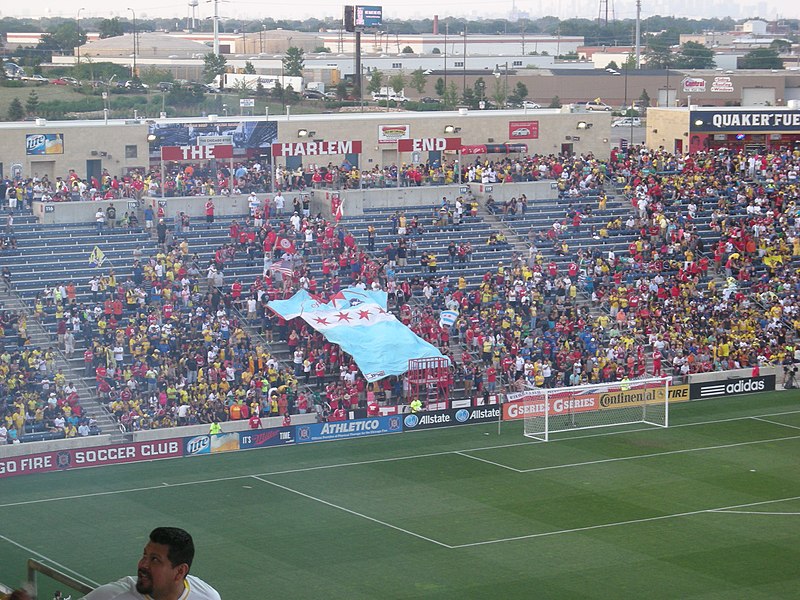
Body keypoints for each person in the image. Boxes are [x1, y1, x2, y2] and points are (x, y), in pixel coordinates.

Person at [82, 527, 220, 600]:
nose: (143, 565)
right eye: (144, 555)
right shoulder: (111, 595)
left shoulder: (207, 597)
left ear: (180, 572)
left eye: (155, 560)